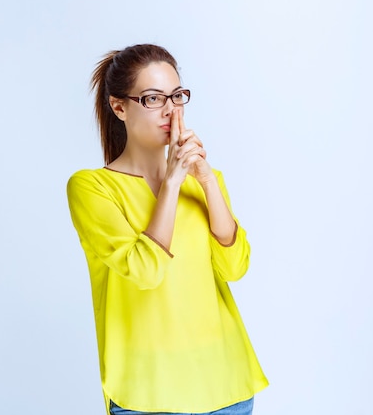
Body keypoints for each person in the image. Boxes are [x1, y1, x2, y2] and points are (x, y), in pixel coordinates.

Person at [66, 44, 268, 415]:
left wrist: (205, 180)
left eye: (177, 96)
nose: (172, 110)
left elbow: (235, 267)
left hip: (226, 386)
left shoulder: (207, 180)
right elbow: (145, 270)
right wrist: (172, 183)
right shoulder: (91, 188)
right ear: (119, 107)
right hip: (147, 394)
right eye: (154, 98)